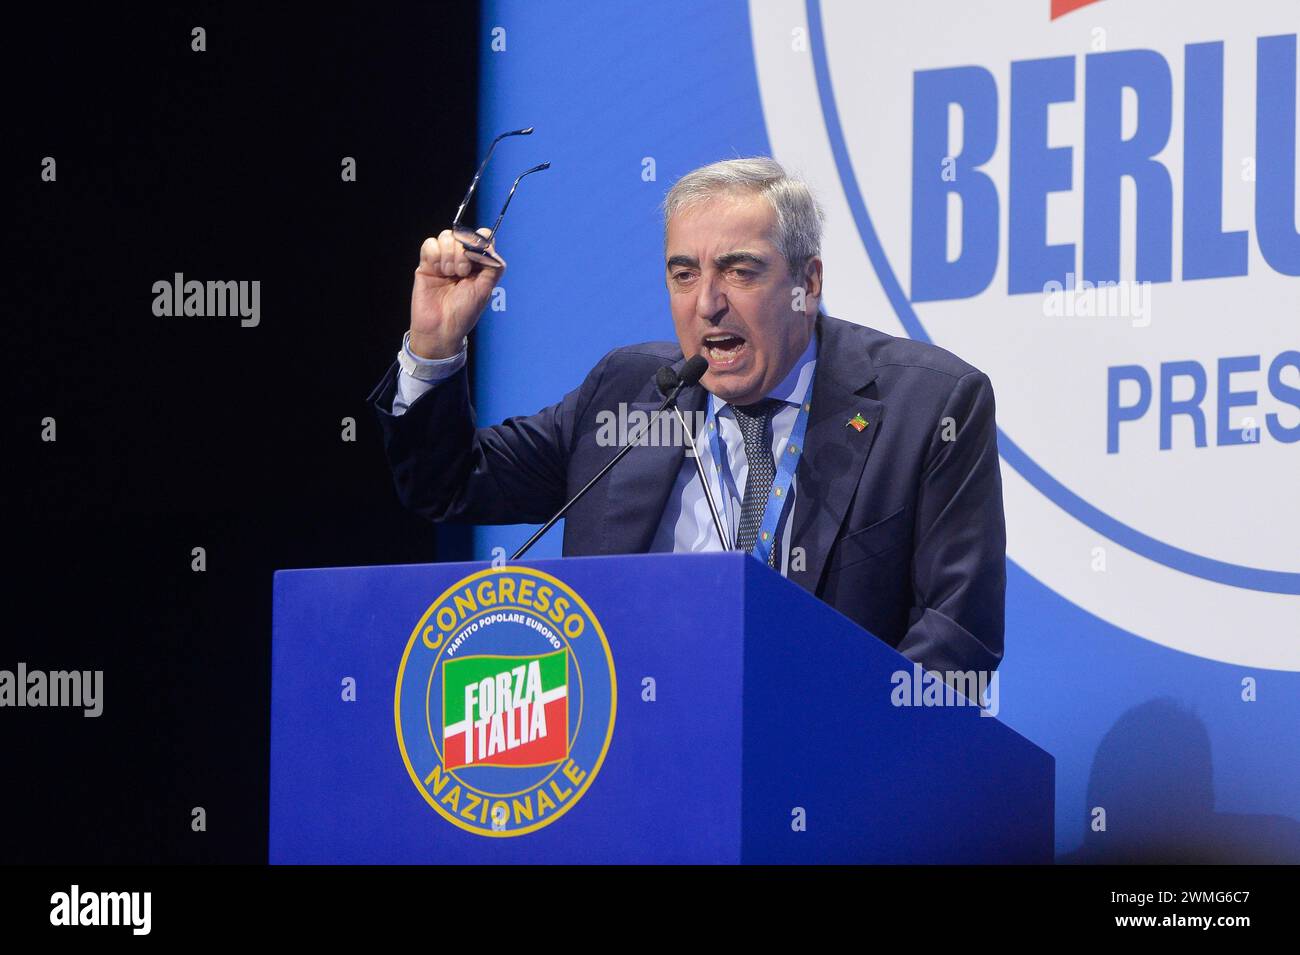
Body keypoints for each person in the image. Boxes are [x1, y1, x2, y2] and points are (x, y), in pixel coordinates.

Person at [368, 157, 1006, 675]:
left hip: (824, 775)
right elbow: (445, 484)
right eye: (683, 274)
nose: (708, 304)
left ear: (807, 284)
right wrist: (434, 344)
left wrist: (833, 747)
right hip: (628, 761)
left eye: (740, 271)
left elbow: (957, 639)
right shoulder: (627, 393)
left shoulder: (928, 407)